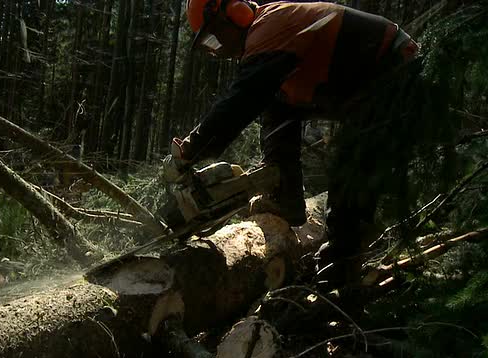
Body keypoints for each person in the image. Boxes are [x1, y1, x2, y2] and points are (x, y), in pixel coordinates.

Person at [167, 0, 451, 287]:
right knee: (278, 104)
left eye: (216, 37)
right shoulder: (269, 33)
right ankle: (285, 196)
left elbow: (242, 100)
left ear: (234, 13)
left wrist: (191, 149)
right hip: (358, 80)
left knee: (351, 162)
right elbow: (261, 97)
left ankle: (340, 270)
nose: (219, 48)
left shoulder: (269, 26)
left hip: (396, 70)